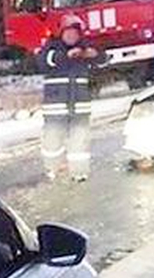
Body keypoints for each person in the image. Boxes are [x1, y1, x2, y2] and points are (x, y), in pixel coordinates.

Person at [39, 15, 108, 182]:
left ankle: (79, 173)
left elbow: (104, 60)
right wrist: (67, 55)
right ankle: (52, 170)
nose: (72, 36)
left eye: (75, 33)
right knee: (52, 140)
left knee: (80, 143)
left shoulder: (85, 49)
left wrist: (95, 55)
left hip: (80, 108)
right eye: (68, 33)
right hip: (56, 109)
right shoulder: (51, 48)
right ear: (60, 33)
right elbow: (45, 61)